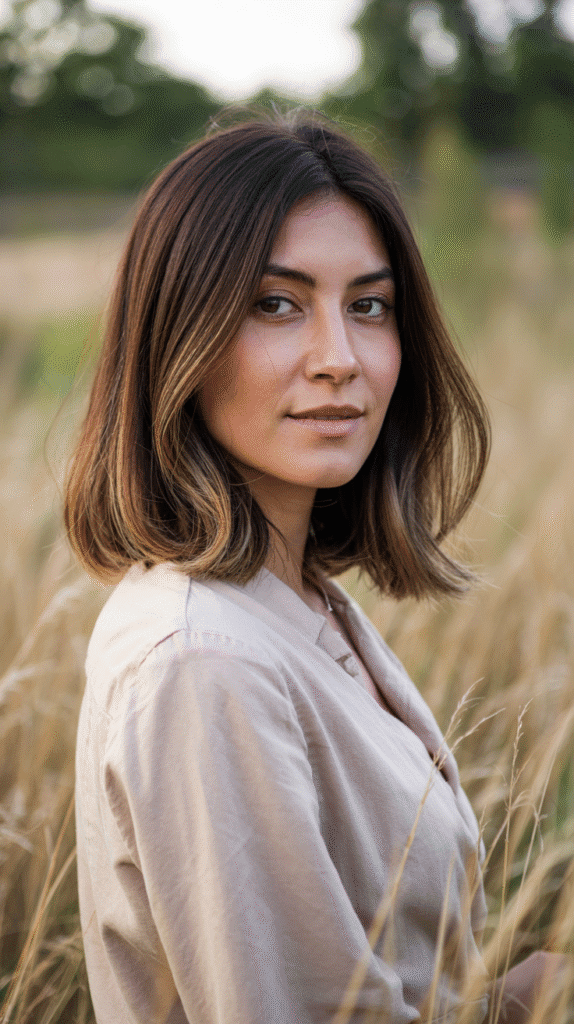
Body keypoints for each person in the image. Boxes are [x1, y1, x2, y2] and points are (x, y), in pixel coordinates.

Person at [64, 110, 562, 1023]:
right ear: (179, 334)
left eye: (368, 306)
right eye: (276, 303)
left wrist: (519, 993)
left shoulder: (288, 599)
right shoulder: (206, 662)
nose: (340, 359)